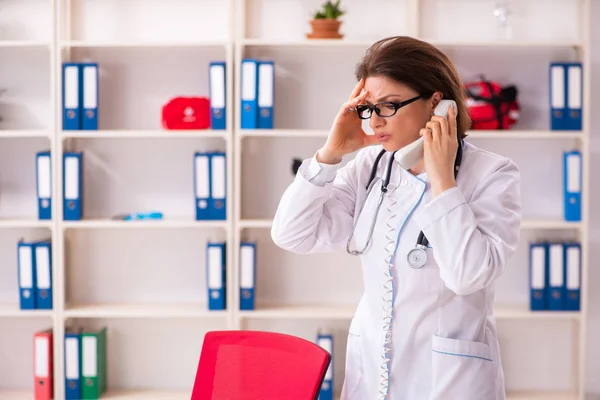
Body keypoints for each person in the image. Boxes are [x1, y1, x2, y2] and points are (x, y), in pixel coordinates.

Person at [270, 35, 522, 400]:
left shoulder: (492, 175)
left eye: (388, 105)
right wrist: (329, 156)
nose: (374, 122)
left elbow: (467, 277)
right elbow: (291, 235)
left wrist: (442, 181)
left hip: (448, 380)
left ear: (437, 102)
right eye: (369, 108)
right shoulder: (370, 168)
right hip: (371, 373)